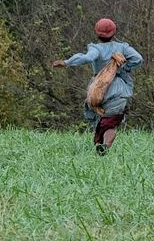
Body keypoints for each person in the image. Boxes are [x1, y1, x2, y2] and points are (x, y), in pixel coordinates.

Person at [52, 18, 143, 155]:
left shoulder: (96, 49)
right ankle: (105, 145)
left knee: (100, 120)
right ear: (114, 32)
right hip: (118, 90)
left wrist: (66, 62)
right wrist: (123, 68)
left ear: (97, 33)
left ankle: (101, 147)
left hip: (98, 90)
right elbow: (138, 59)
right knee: (111, 123)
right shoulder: (123, 48)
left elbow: (87, 58)